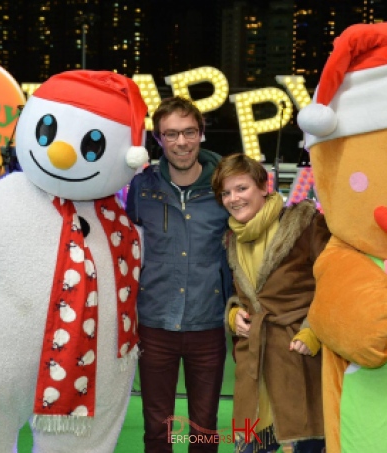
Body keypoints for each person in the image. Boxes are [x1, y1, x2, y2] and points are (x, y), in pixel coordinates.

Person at [125, 96, 232, 453]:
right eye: (171, 134)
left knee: (204, 427)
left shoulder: (225, 188)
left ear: (201, 134)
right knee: (157, 428)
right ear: (158, 140)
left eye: (188, 132)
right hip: (155, 325)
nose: (181, 142)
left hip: (208, 325)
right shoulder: (142, 187)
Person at [211, 153, 330, 453]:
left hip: (299, 361)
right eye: (225, 193)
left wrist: (313, 330)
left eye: (241, 188)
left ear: (264, 186)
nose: (233, 199)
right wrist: (234, 314)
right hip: (254, 364)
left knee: (309, 446)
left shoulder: (306, 224)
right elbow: (240, 294)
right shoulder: (232, 238)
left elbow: (335, 283)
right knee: (253, 447)